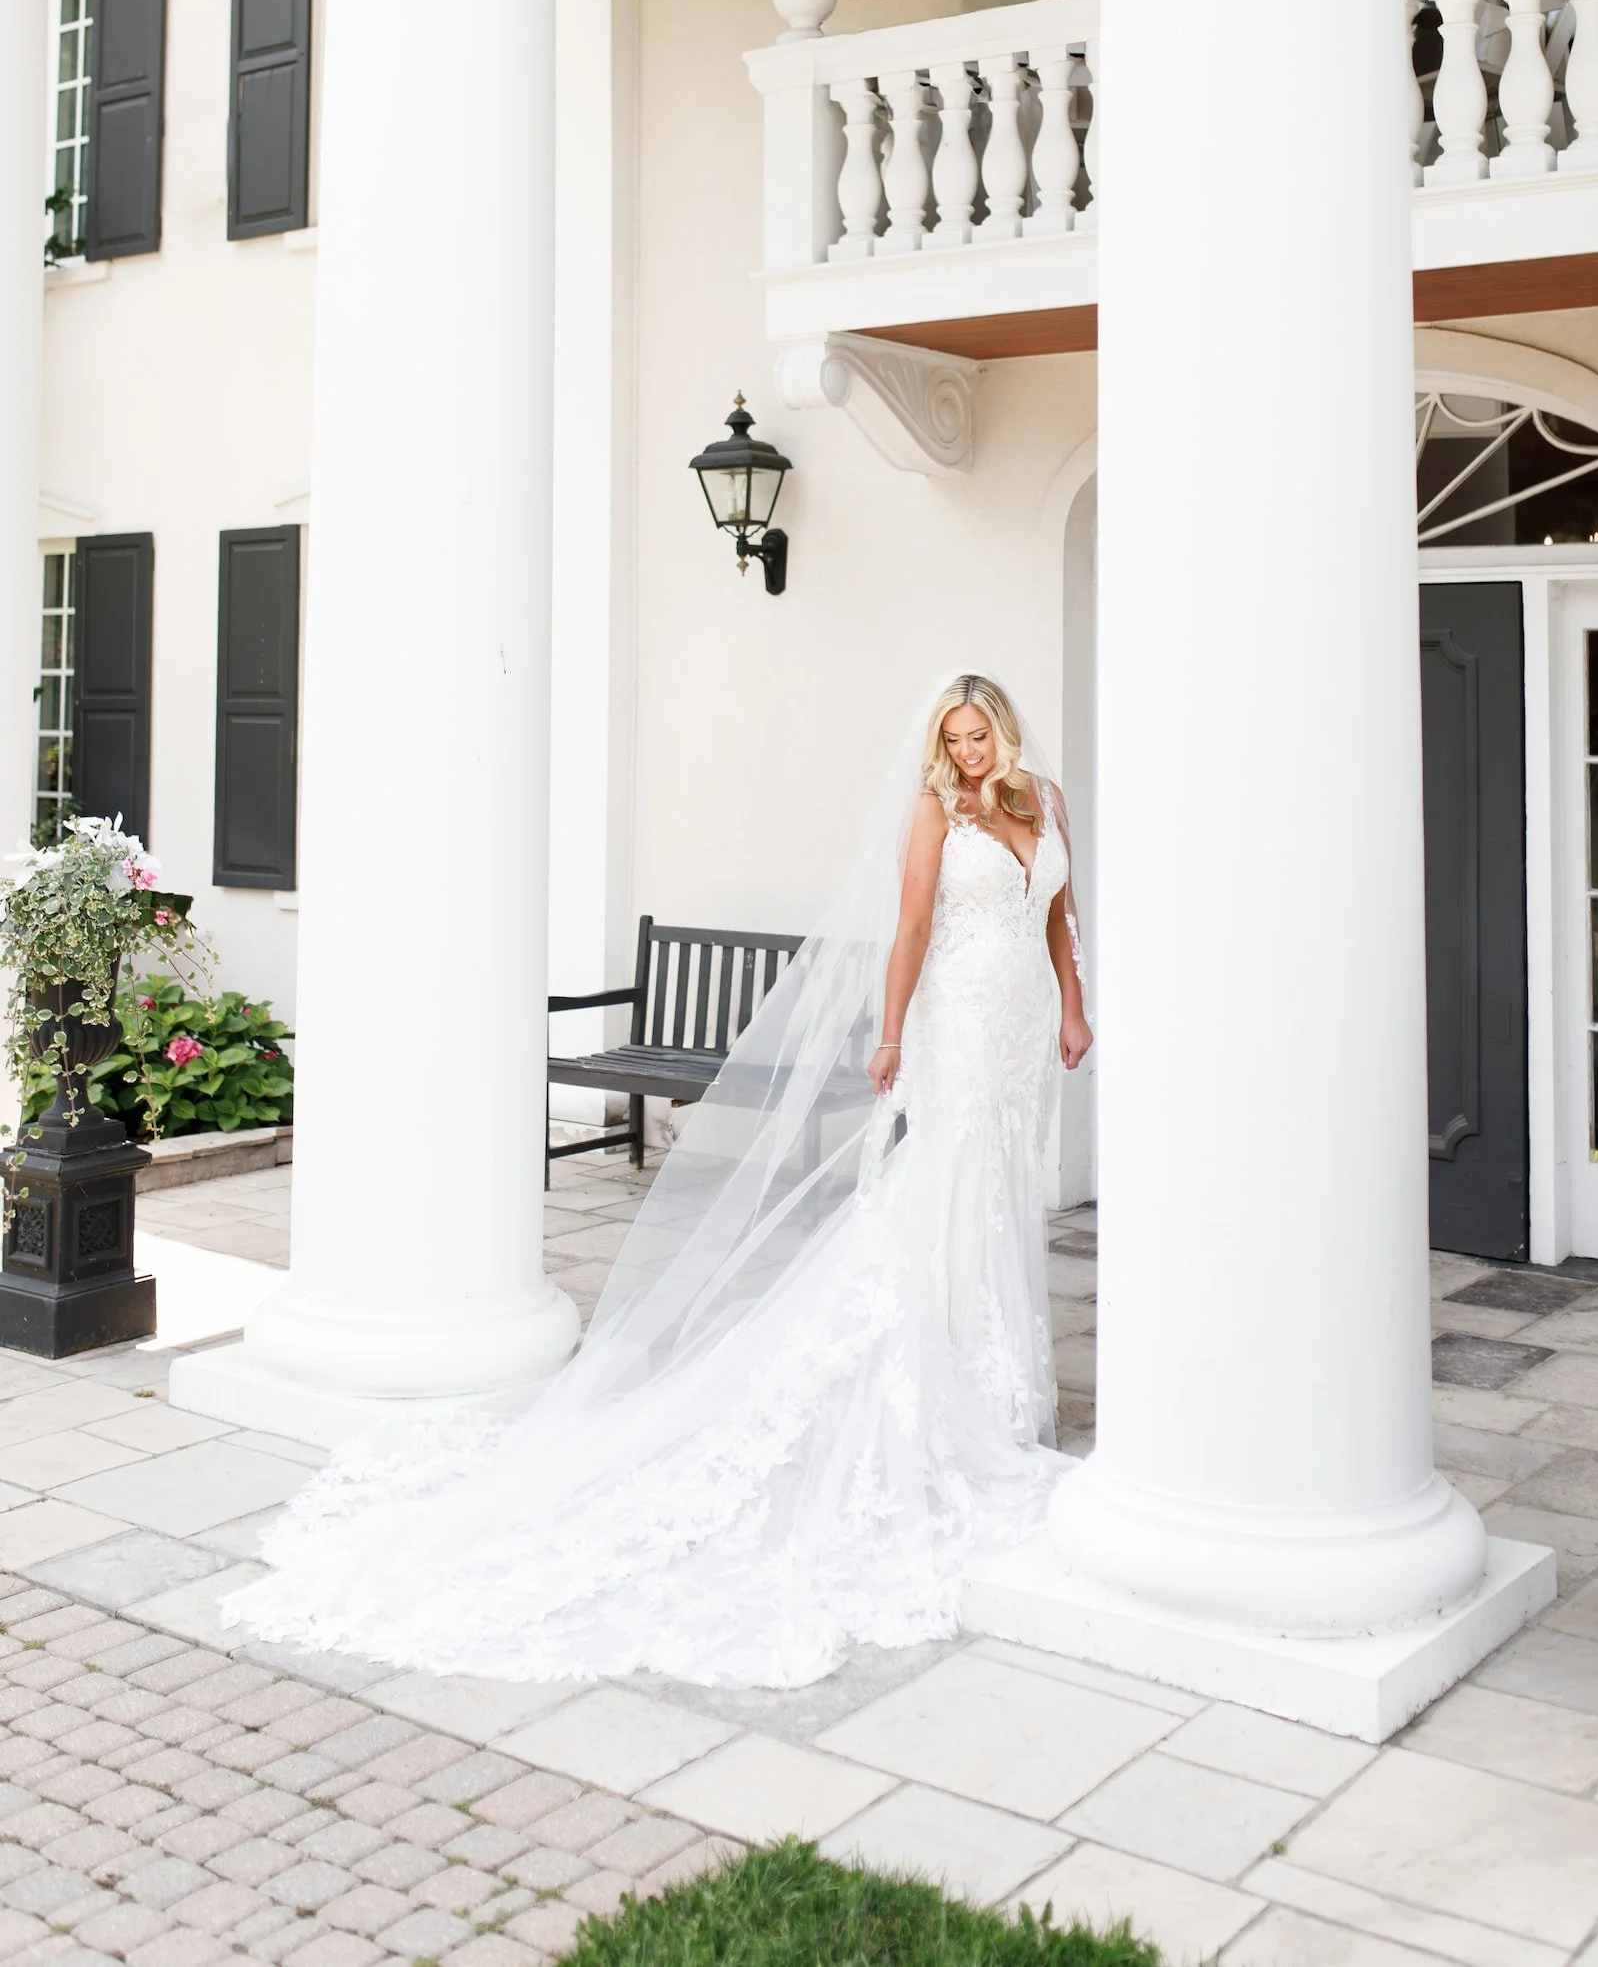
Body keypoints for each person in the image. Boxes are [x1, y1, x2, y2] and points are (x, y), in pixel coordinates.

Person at [227, 675, 1093, 1689]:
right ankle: (948, 1382)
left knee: (1000, 1187)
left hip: (1023, 1020)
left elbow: (1055, 917)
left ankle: (998, 1384)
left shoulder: (1042, 800)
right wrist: (894, 1031)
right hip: (954, 1017)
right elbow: (907, 933)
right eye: (953, 738)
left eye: (978, 732)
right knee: (949, 1187)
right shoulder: (931, 813)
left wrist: (1073, 1007)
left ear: (1004, 727)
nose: (968, 750)